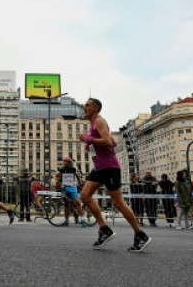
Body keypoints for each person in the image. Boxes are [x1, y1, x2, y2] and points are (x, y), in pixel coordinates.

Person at [79, 98, 150, 252]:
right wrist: (91, 144)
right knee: (85, 196)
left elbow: (107, 141)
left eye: (87, 105)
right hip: (99, 168)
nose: (84, 108)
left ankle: (140, 234)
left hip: (109, 167)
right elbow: (114, 142)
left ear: (95, 108)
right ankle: (104, 229)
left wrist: (88, 139)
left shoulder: (99, 121)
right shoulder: (94, 124)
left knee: (118, 203)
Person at [56, 156, 86, 227]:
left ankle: (82, 220)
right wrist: (58, 181)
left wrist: (80, 183)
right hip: (64, 188)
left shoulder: (73, 169)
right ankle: (66, 221)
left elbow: (77, 176)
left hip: (72, 188)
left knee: (78, 203)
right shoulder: (62, 169)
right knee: (66, 205)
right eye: (63, 161)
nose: (64, 162)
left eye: (65, 161)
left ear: (69, 162)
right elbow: (57, 175)